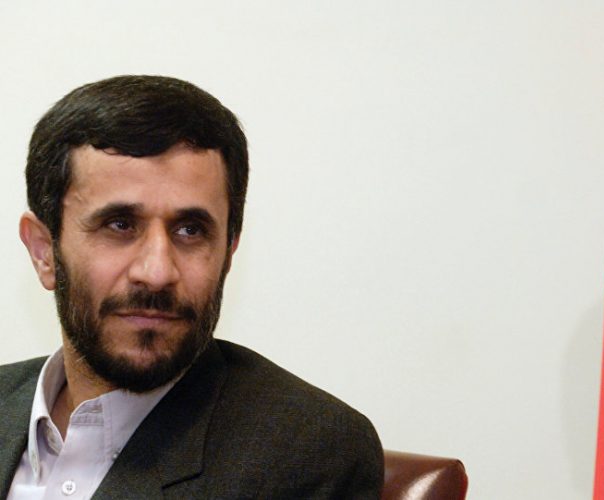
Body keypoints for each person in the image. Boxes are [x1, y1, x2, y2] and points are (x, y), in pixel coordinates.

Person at [0, 75, 383, 499]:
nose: (157, 272)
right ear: (44, 252)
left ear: (229, 252)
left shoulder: (307, 454)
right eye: (120, 225)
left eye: (190, 230)